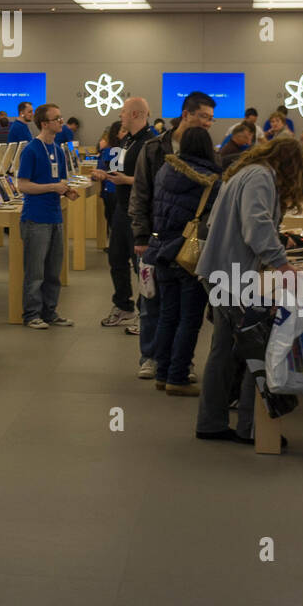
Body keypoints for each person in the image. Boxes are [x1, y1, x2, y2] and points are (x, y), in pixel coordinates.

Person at [195, 137, 303, 445]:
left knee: (225, 351)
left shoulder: (249, 171)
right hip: (232, 273)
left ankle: (211, 422)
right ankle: (252, 428)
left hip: (222, 269)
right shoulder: (261, 177)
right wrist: (281, 264)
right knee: (252, 351)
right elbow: (255, 225)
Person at [130, 92, 216, 373]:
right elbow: (141, 192)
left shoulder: (208, 151)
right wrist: (141, 235)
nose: (207, 123)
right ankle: (151, 358)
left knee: (184, 309)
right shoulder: (155, 147)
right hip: (157, 238)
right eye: (203, 116)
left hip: (191, 242)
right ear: (186, 113)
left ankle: (179, 362)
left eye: (211, 119)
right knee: (152, 302)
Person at [143, 126, 220, 396]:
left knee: (166, 316)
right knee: (189, 319)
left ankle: (162, 374)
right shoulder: (210, 179)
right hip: (190, 254)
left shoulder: (166, 170)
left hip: (161, 248)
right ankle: (178, 376)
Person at [16, 103, 81, 328]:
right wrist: (52, 187)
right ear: (45, 123)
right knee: (35, 272)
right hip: (35, 218)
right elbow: (22, 185)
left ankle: (50, 312)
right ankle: (31, 314)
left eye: (61, 118)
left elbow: (59, 181)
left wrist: (66, 189)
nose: (61, 122)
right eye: (57, 119)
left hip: (55, 216)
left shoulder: (58, 150)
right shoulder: (32, 150)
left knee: (54, 270)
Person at [92, 97, 153, 330]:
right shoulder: (126, 140)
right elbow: (116, 169)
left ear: (136, 114)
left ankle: (145, 312)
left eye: (124, 111)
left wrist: (126, 180)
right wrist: (104, 173)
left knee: (141, 266)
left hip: (139, 213)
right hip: (120, 208)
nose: (120, 115)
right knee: (116, 259)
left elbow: (156, 179)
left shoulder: (151, 143)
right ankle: (123, 306)